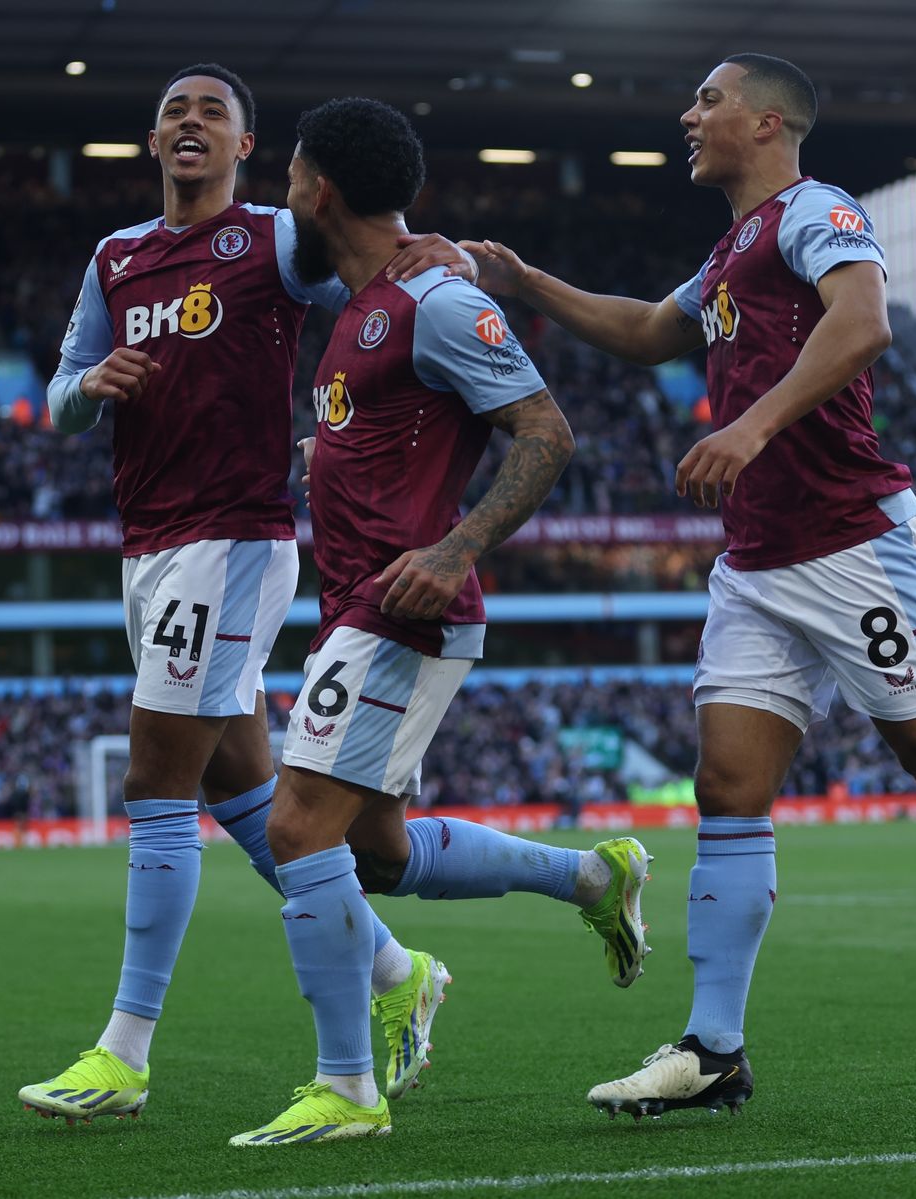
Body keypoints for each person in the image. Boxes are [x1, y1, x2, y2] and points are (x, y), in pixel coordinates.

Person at [466, 53, 916, 1114]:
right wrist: (528, 283)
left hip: (850, 542)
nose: (688, 115)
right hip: (758, 560)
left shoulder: (815, 209)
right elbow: (650, 330)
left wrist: (749, 421)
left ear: (769, 121)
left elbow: (864, 321)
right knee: (727, 785)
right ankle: (715, 1047)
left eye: (708, 100)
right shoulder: (733, 247)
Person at [20, 64, 473, 1124]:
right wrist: (88, 390)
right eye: (174, 109)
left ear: (244, 148)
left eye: (211, 112)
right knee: (255, 807)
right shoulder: (115, 258)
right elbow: (53, 398)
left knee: (154, 776)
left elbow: (372, 281)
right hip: (148, 546)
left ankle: (124, 1052)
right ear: (152, 139)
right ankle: (398, 969)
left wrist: (427, 259)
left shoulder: (269, 240)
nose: (190, 122)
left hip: (232, 540)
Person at [229, 97, 650, 1147]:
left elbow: (546, 433)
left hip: (405, 607)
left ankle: (347, 1086)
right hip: (356, 606)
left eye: (287, 170)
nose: (281, 187)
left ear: (318, 186)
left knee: (293, 828)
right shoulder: (368, 300)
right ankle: (596, 875)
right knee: (372, 852)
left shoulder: (435, 299)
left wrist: (457, 545)